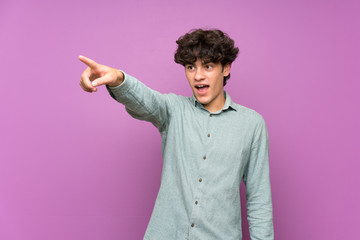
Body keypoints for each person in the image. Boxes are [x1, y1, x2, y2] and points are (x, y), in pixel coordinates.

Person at [79, 28, 274, 240]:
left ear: (225, 68)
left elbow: (259, 199)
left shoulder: (252, 124)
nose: (198, 76)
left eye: (208, 66)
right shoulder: (173, 109)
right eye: (191, 67)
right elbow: (145, 100)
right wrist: (117, 78)